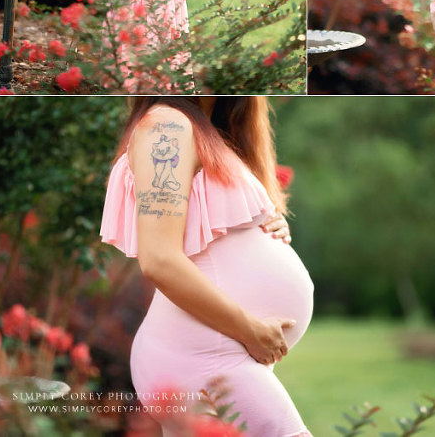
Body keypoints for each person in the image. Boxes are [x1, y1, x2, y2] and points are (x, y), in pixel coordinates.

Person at [100, 97, 313, 437]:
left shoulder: (210, 127)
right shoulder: (166, 124)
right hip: (205, 355)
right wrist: (250, 331)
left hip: (217, 353)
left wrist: (265, 222)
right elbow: (159, 259)